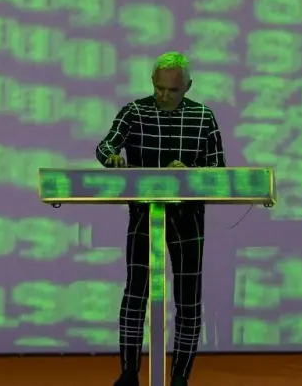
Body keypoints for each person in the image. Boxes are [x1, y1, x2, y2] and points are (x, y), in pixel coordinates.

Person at [95, 52, 226, 386]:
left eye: (172, 90)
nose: (163, 96)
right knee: (136, 293)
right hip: (144, 213)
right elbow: (105, 146)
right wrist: (112, 158)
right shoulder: (134, 111)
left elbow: (218, 170)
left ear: (188, 87)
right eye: (158, 88)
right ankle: (128, 373)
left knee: (188, 296)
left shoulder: (203, 117)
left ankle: (180, 376)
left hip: (188, 217)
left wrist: (191, 174)